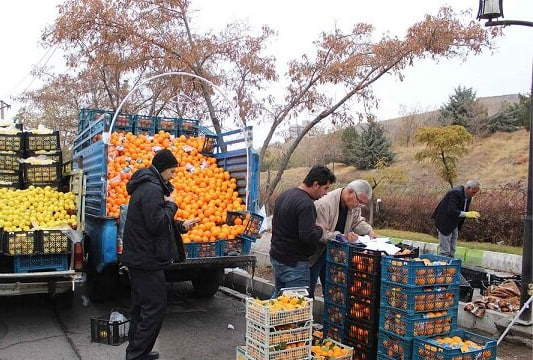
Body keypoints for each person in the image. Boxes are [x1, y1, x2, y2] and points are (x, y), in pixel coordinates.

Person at [122, 149, 198, 360]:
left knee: (142, 306)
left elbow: (152, 222)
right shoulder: (152, 189)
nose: (173, 175)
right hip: (147, 259)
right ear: (163, 169)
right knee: (154, 307)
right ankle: (138, 354)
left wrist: (181, 225)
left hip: (141, 256)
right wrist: (172, 205)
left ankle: (137, 351)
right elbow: (156, 224)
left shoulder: (147, 186)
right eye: (172, 171)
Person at [269, 165, 336, 298]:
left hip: (278, 257)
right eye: (325, 188)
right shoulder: (306, 204)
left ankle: (263, 318)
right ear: (316, 184)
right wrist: (320, 229)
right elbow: (308, 236)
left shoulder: (285, 195)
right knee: (295, 307)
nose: (326, 193)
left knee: (279, 299)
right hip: (294, 264)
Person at [309, 179, 375, 298]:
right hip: (316, 252)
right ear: (350, 191)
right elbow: (319, 233)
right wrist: (341, 236)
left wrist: (369, 231)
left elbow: (357, 221)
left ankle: (329, 313)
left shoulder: (353, 206)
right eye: (359, 201)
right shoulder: (325, 204)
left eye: (362, 204)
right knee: (309, 289)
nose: (359, 205)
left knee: (334, 291)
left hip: (335, 252)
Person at [432, 180, 481, 258]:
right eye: (473, 192)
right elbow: (451, 210)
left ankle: (450, 266)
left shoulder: (468, 196)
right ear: (468, 188)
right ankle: (443, 266)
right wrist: (466, 214)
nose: (473, 195)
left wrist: (466, 215)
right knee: (445, 250)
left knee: (452, 248)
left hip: (454, 223)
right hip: (445, 222)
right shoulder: (455, 193)